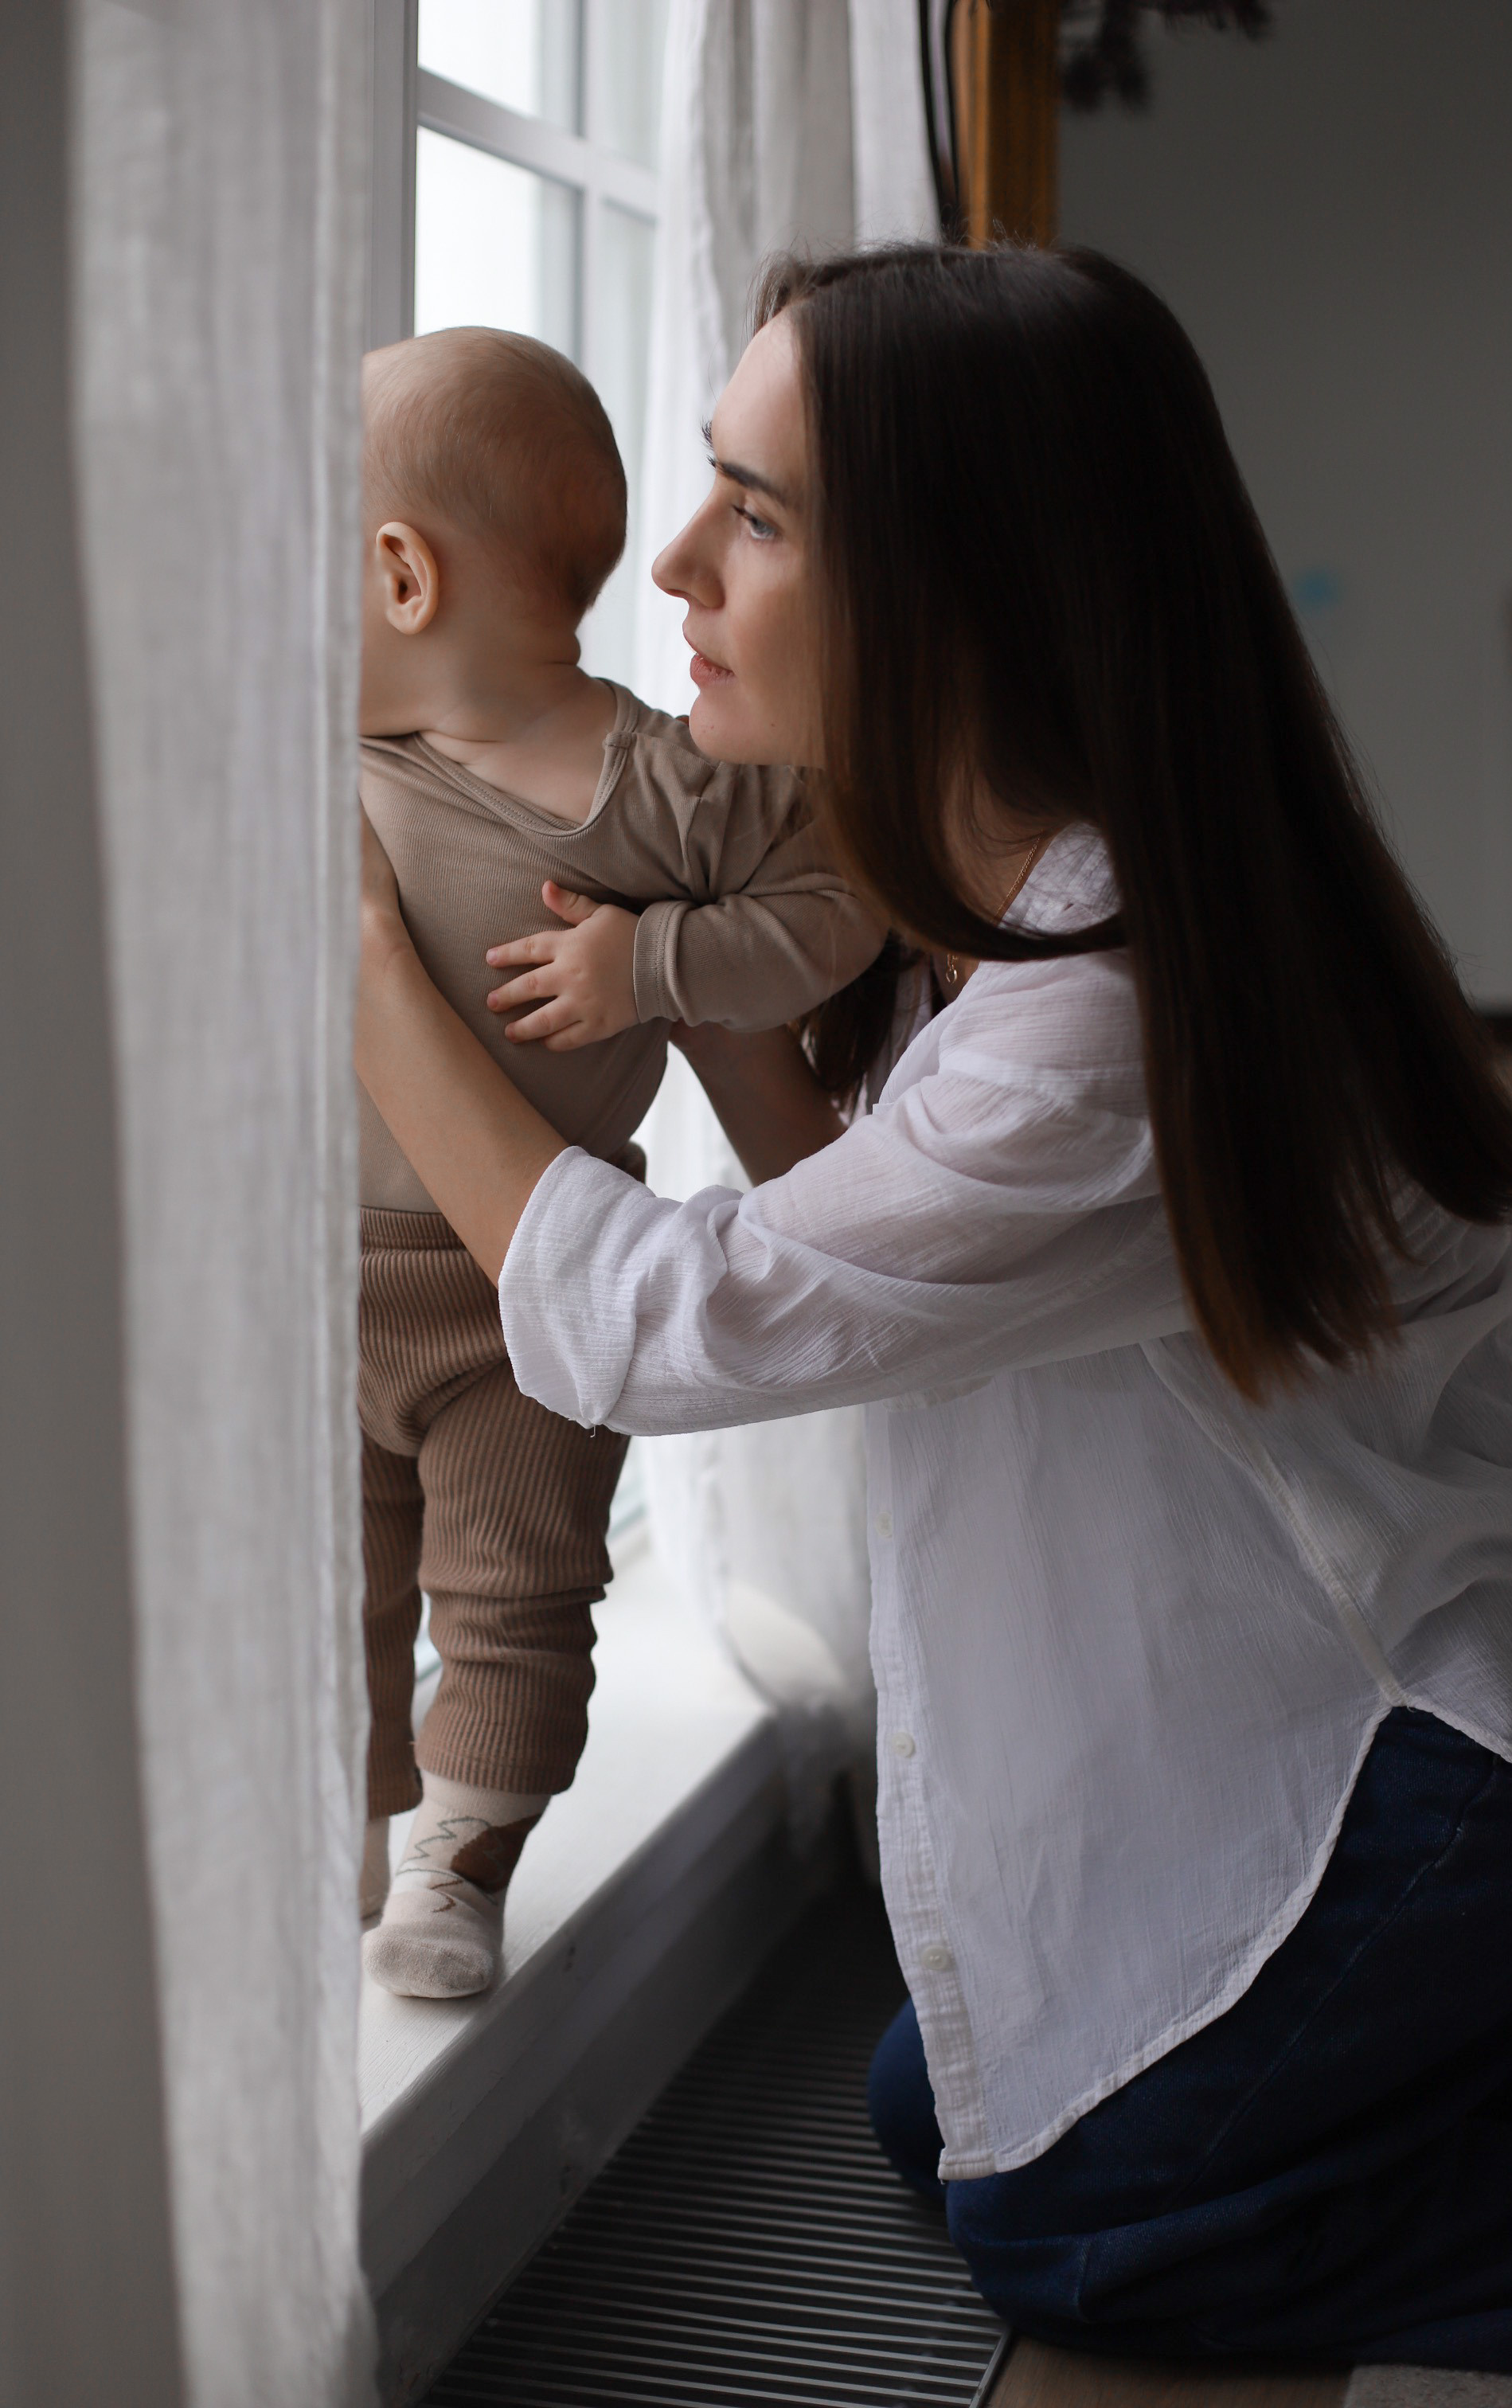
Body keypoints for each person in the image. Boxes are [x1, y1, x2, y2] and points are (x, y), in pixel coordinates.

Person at [353, 247, 1512, 2370]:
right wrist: (673, 954)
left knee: (1079, 2236)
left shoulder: (1116, 1005)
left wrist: (358, 963)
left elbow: (671, 1328)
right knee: (938, 2106)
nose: (667, 571)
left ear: (967, 578)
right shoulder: (999, 898)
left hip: (1433, 1738)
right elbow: (850, 1233)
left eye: (752, 514)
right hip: (1303, 1684)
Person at [353, 326, 883, 1998]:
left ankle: (461, 1854)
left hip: (523, 1297)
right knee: (327, 1599)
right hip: (300, 1285)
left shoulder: (654, 784)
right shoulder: (323, 765)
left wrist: (647, 967)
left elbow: (834, 912)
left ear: (400, 577)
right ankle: (335, 1835)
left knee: (518, 1587)